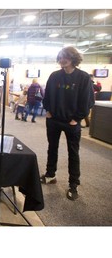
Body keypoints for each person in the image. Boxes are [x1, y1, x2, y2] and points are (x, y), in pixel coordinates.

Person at [41, 46, 94, 201]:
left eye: (66, 57)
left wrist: (76, 119)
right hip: (54, 120)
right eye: (61, 57)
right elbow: (47, 95)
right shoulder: (54, 76)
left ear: (73, 58)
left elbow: (88, 101)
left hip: (72, 122)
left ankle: (73, 184)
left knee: (73, 153)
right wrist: (48, 110)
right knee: (52, 148)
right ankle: (50, 174)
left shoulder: (83, 77)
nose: (62, 60)